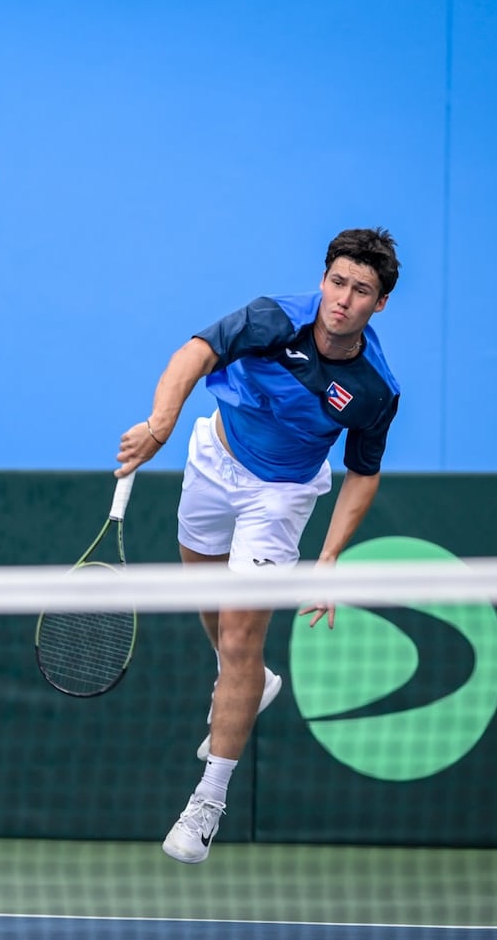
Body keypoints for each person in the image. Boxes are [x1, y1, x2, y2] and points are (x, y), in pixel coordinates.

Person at [115, 227, 401, 864]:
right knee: (210, 602)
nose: (343, 299)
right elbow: (196, 352)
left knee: (242, 639)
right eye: (337, 282)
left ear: (378, 304)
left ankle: (207, 803)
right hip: (215, 455)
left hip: (281, 496)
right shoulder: (274, 318)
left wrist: (328, 561)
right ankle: (250, 682)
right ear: (323, 279)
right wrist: (161, 426)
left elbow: (364, 472)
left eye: (361, 291)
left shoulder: (375, 389)